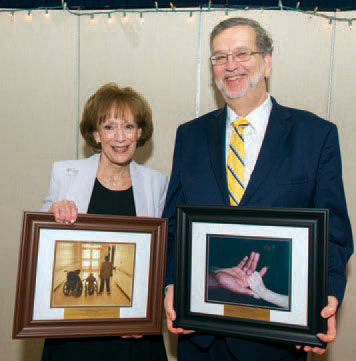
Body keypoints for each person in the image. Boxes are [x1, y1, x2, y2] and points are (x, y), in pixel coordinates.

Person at [163, 17, 353, 361]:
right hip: (200, 337)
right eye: (219, 57)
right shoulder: (188, 136)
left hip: (277, 338)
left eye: (241, 53)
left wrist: (324, 300)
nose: (230, 65)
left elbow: (335, 235)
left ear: (266, 62)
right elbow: (174, 229)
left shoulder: (316, 135)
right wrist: (171, 286)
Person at [41, 83, 168, 361]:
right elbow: (43, 250)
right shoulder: (65, 174)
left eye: (129, 126)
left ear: (140, 132)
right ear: (96, 134)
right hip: (75, 328)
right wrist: (53, 216)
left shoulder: (156, 183)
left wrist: (146, 312)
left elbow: (158, 258)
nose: (120, 137)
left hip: (133, 332)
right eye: (109, 127)